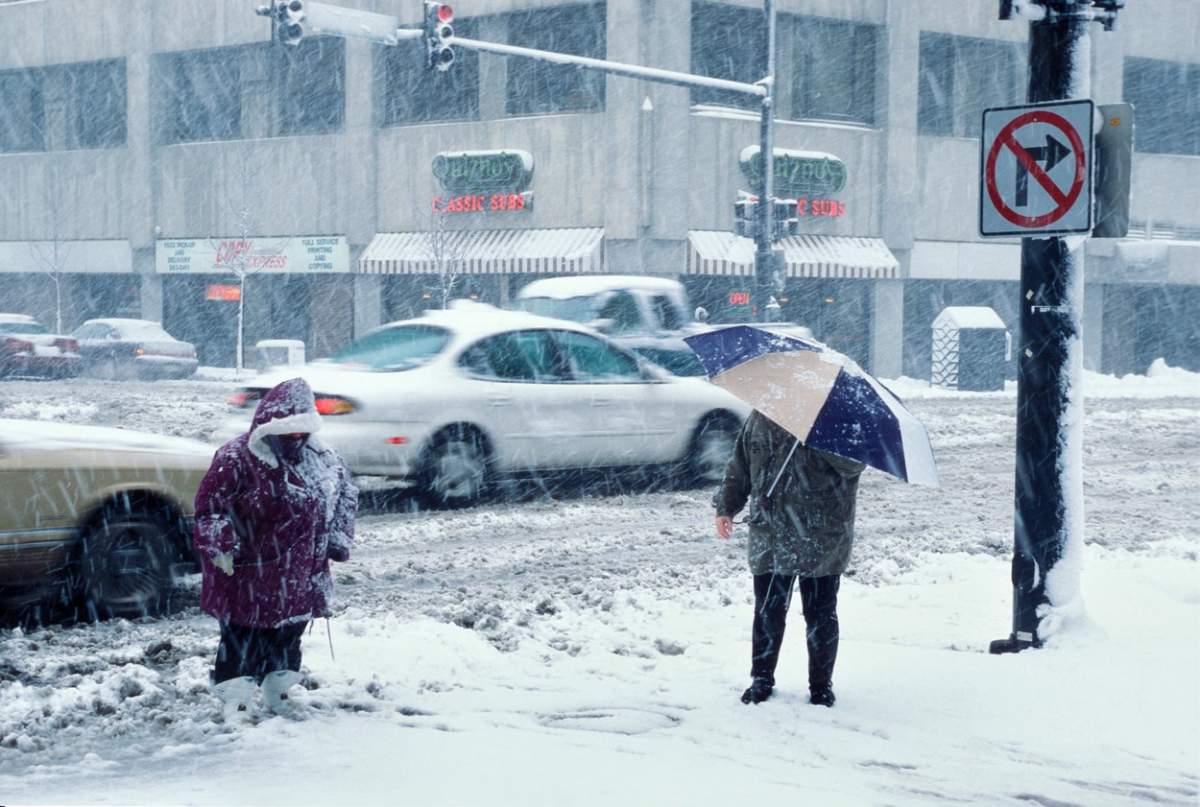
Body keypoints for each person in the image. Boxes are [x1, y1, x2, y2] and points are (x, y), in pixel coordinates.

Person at [194, 377, 358, 715]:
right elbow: (210, 508)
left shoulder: (325, 459)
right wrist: (221, 543)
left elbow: (345, 497)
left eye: (302, 431)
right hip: (247, 578)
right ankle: (235, 697)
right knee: (242, 638)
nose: (296, 439)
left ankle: (277, 691)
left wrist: (338, 540)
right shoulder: (236, 459)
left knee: (288, 636)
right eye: (289, 432)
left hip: (301, 576)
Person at [714, 410, 865, 707]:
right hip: (769, 534)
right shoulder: (760, 418)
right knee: (768, 610)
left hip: (821, 535)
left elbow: (854, 465)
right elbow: (740, 467)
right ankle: (761, 679)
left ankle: (821, 686)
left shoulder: (838, 420)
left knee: (820, 613)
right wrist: (725, 506)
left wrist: (817, 436)